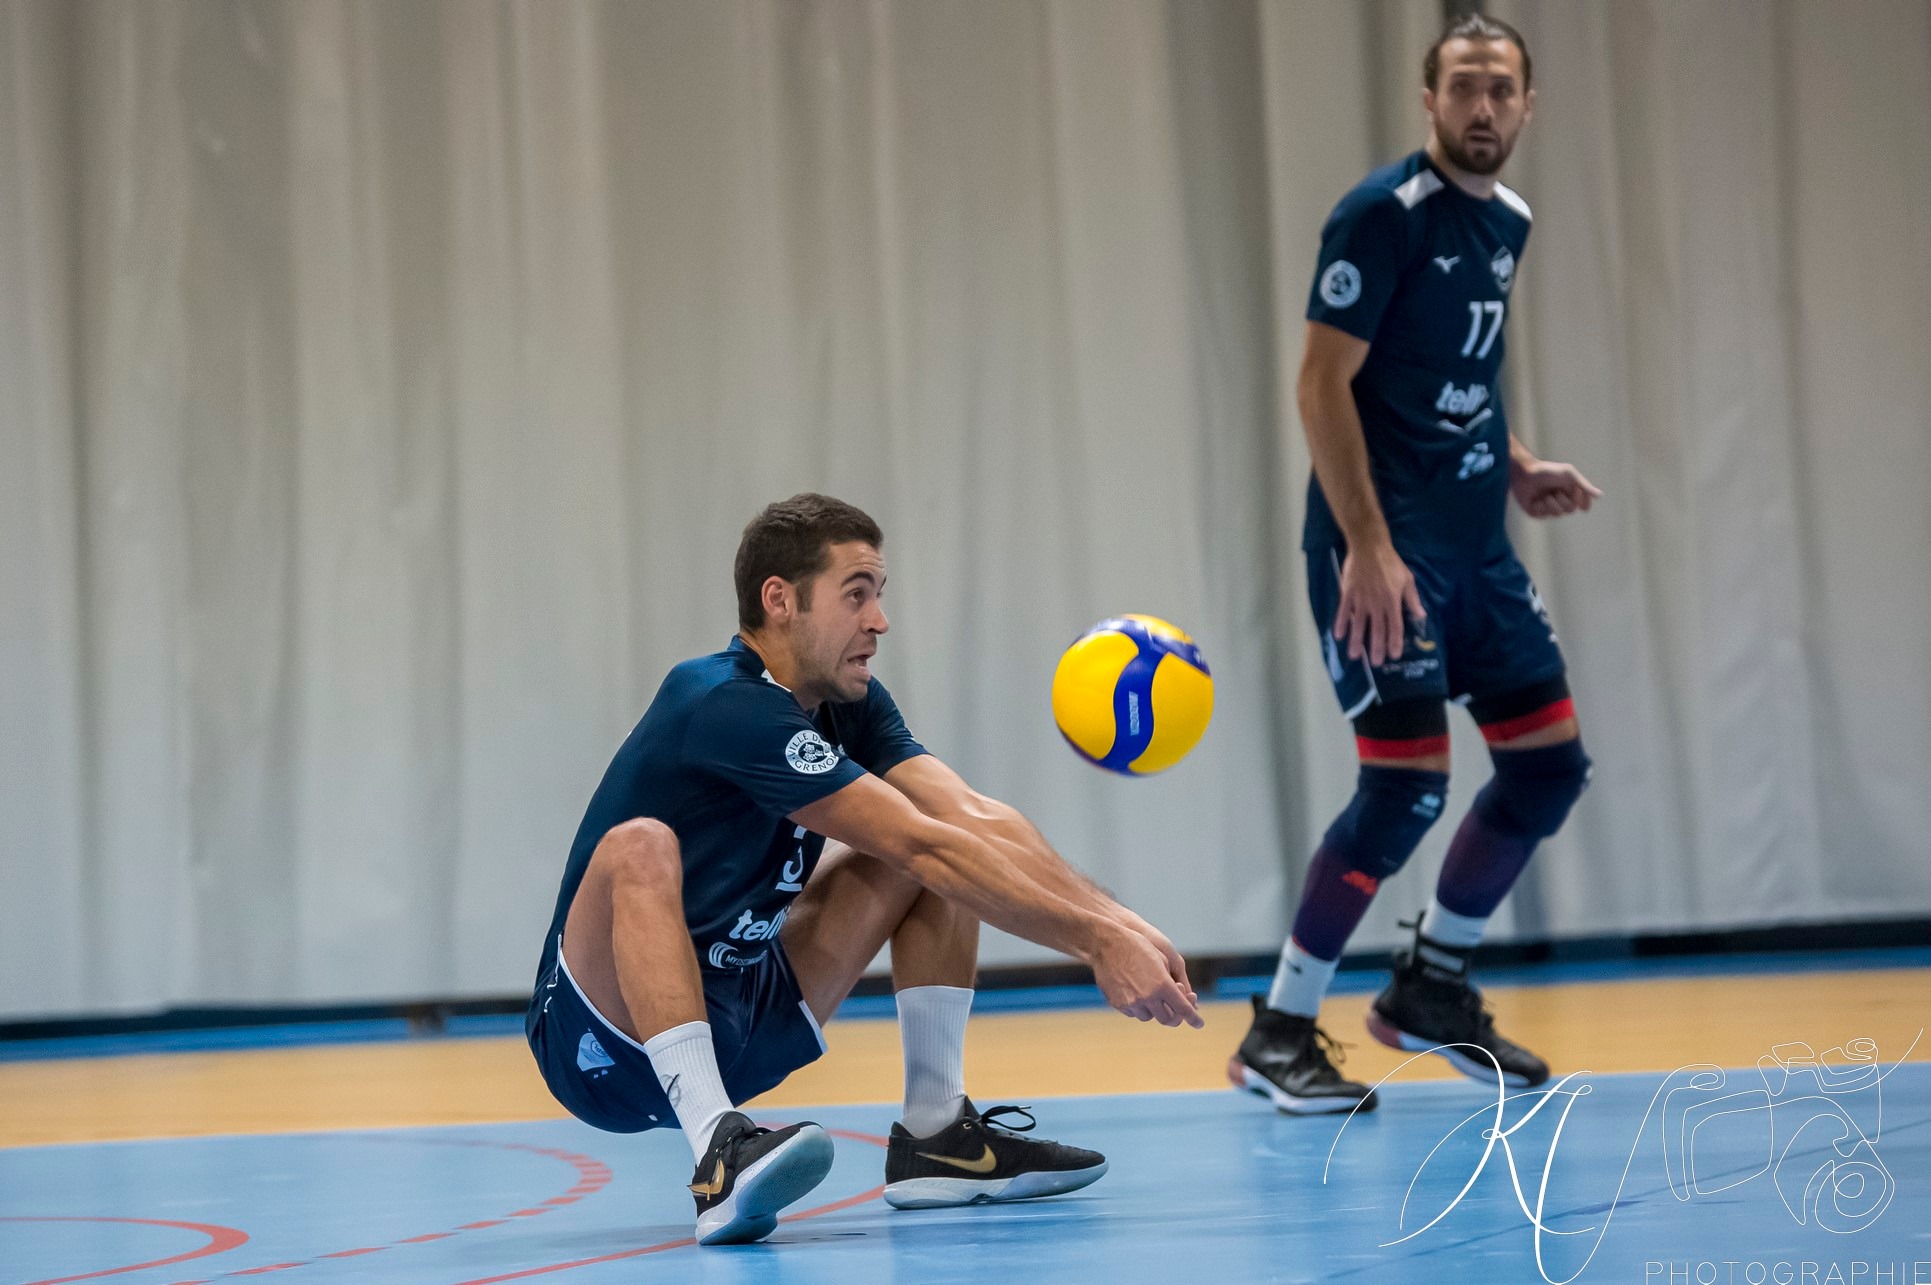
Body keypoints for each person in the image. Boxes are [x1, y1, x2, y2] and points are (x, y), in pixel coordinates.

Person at [527, 492, 1202, 1245]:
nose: (878, 620)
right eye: (856, 594)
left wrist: (1121, 922)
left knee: (943, 839)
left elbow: (971, 816)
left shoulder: (847, 702)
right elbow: (922, 845)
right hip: (602, 1043)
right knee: (640, 845)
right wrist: (1093, 943)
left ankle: (936, 1132)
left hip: (745, 1018)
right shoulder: (717, 699)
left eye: (878, 594)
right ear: (780, 600)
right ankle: (718, 1152)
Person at [1230, 13, 1599, 1115]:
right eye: (1463, 87)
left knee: (1546, 769)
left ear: (1527, 104)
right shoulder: (1379, 216)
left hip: (1477, 550)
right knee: (1402, 790)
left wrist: (1517, 464)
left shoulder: (1508, 220)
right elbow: (1319, 384)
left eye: (1500, 89)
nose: (1482, 107)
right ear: (1427, 100)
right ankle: (1278, 1030)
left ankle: (1429, 986)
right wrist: (1368, 546)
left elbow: (1459, 373)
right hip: (1381, 556)